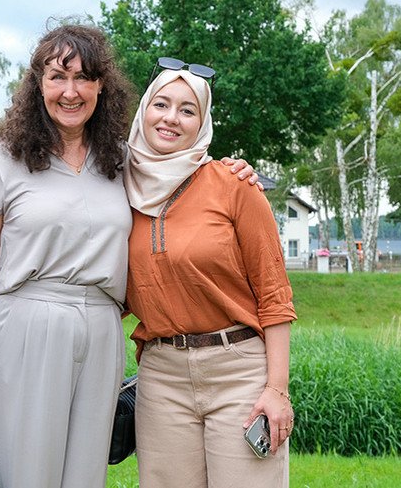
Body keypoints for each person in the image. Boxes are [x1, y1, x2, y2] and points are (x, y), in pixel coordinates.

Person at [0, 25, 260, 488]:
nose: (70, 91)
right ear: (38, 83)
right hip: (27, 321)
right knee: (26, 473)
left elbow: (180, 167)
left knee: (85, 475)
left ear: (103, 86)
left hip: (102, 327)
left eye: (84, 78)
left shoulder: (122, 160)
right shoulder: (3, 157)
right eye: (58, 76)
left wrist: (233, 169)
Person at [124, 62, 296, 487]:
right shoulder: (116, 190)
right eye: (161, 104)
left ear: (202, 123)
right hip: (161, 375)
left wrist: (277, 389)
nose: (171, 118)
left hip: (238, 370)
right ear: (144, 110)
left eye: (187, 110)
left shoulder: (234, 184)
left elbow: (274, 295)